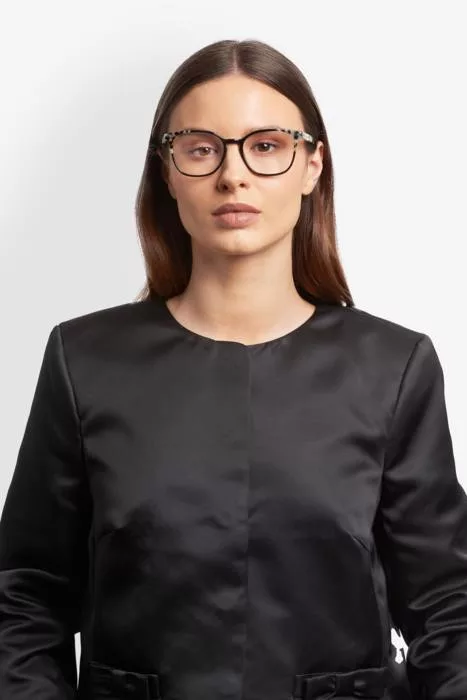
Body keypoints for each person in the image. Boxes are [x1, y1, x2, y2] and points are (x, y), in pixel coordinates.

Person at [0, 37, 466, 700]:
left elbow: (447, 608)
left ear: (311, 166)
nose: (233, 175)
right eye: (200, 148)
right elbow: (25, 597)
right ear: (167, 172)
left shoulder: (393, 366)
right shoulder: (86, 360)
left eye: (266, 145)